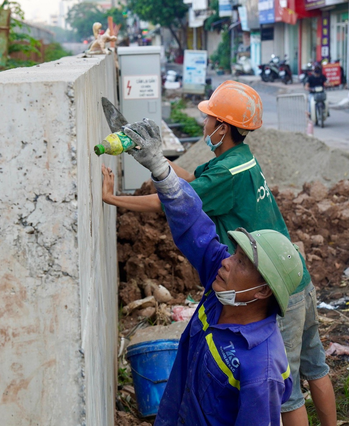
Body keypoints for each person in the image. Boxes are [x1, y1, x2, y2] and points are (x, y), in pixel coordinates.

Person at [102, 81, 337, 426]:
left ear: (222, 128)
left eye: (208, 119)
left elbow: (172, 206)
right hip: (292, 274)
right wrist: (158, 163)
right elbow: (191, 192)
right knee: (315, 367)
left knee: (286, 396)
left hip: (272, 283)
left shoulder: (256, 355)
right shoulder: (238, 159)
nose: (204, 124)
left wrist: (113, 199)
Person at [120, 117, 302, 425]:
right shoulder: (226, 293)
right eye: (235, 254)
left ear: (263, 290)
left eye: (242, 262)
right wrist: (161, 170)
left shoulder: (261, 366)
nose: (227, 261)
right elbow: (194, 225)